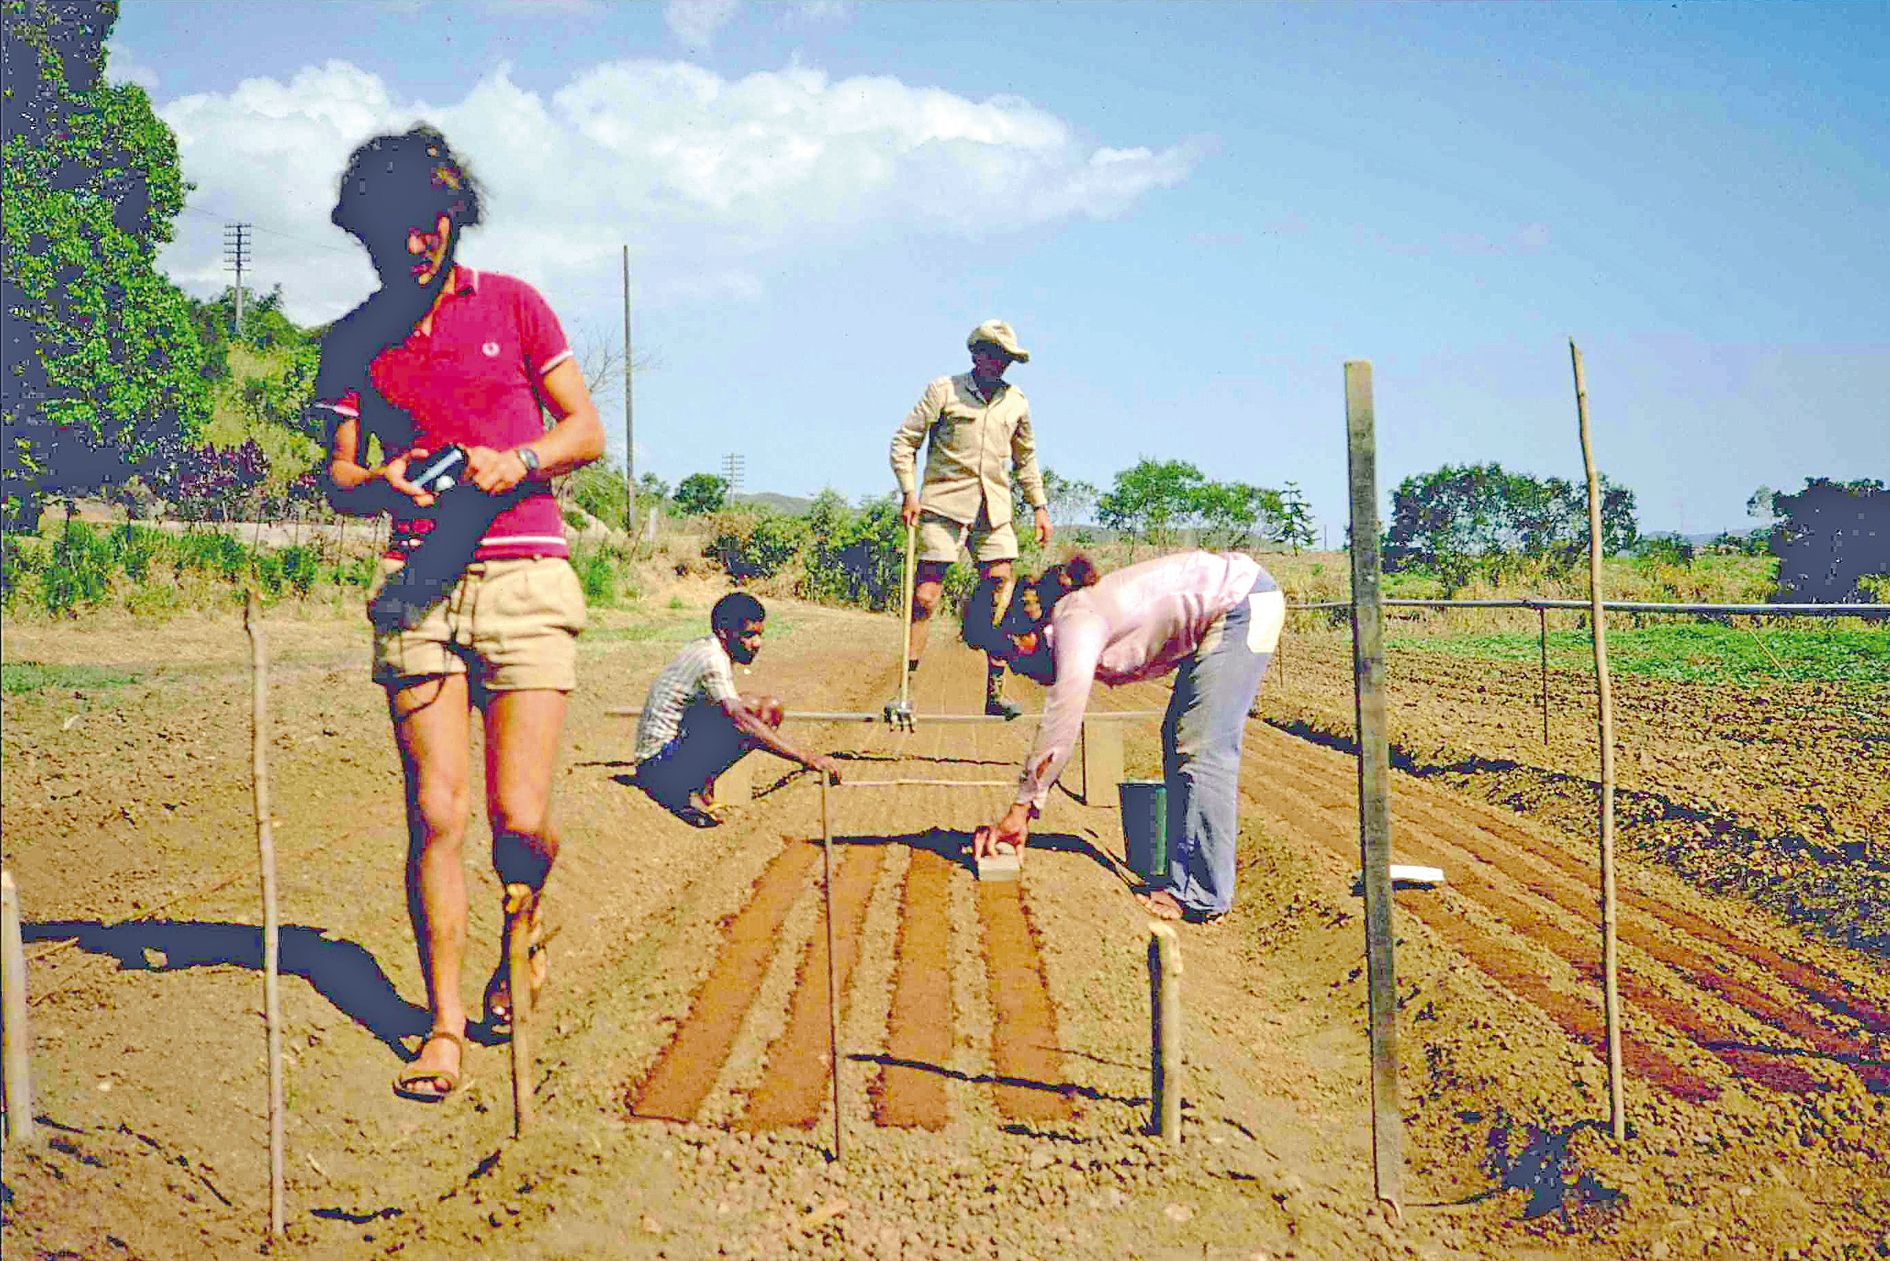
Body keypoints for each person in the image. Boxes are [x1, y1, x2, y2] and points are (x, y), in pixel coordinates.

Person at [313, 125, 606, 1102]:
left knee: (521, 820)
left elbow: (584, 430)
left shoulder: (514, 305)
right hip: (415, 587)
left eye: (430, 222)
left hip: (524, 577)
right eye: (393, 226)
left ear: (454, 218)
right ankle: (443, 1027)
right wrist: (382, 481)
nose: (415, 243)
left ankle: (525, 933)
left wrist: (517, 461)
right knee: (438, 812)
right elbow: (338, 475)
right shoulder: (353, 340)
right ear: (365, 231)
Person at [968, 551, 1285, 923]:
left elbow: (1063, 716)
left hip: (1241, 602)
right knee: (1180, 737)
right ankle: (1185, 877)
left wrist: (1021, 808)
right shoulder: (1073, 614)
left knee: (1202, 745)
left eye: (1009, 654)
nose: (1016, 668)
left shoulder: (1075, 620)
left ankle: (1201, 895)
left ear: (1021, 631)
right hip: (1236, 600)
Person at [889, 319, 1052, 718]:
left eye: (1007, 358)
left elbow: (1026, 459)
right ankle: (905, 691)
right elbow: (904, 441)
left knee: (1001, 589)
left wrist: (1039, 506)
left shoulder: (1017, 402)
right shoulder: (944, 390)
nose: (1001, 363)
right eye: (995, 355)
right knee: (925, 597)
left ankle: (995, 694)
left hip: (994, 510)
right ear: (977, 354)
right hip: (943, 506)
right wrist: (909, 492)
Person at [634, 592, 842, 821]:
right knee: (746, 717)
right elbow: (738, 720)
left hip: (668, 753)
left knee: (764, 708)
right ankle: (684, 791)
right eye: (749, 635)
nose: (757, 643)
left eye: (760, 635)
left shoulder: (709, 648)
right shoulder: (711, 659)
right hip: (657, 766)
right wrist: (806, 757)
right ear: (724, 632)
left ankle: (700, 786)